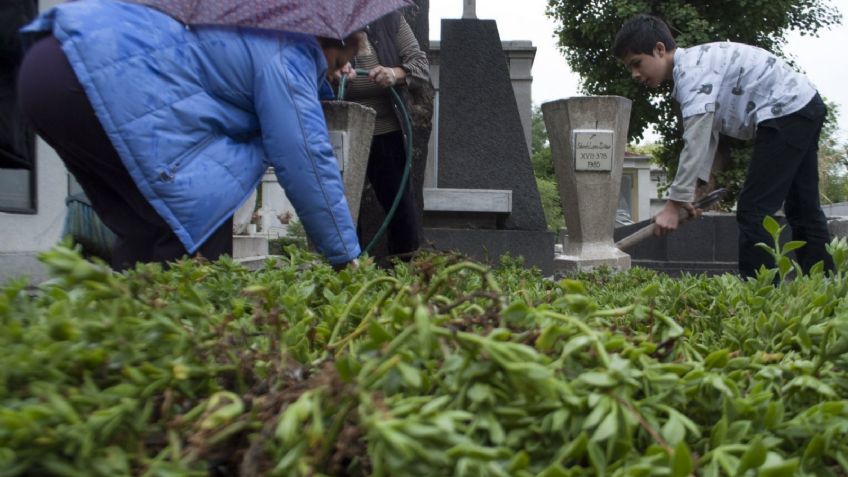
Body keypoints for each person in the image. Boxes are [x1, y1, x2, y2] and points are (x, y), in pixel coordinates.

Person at [17, 0, 362, 271]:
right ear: (328, 37)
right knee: (202, 217)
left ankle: (128, 340)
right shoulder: (292, 49)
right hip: (93, 79)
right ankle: (184, 345)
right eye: (334, 65)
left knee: (146, 228)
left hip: (51, 66)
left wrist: (324, 73)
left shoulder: (247, 19)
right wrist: (344, 256)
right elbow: (303, 154)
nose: (333, 75)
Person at [612, 14, 834, 278]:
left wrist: (673, 205)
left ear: (660, 49)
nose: (635, 74)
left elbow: (695, 140)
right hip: (803, 105)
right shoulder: (697, 67)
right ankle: (826, 286)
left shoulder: (691, 72)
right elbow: (709, 136)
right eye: (629, 68)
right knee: (804, 208)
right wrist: (696, 191)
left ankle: (760, 295)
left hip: (786, 111)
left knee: (753, 211)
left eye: (637, 63)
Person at [339, 11, 430, 260]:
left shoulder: (390, 20)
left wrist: (394, 73)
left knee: (401, 207)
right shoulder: (327, 25)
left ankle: (404, 270)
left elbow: (421, 67)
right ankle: (344, 271)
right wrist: (331, 71)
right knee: (342, 208)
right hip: (341, 132)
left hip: (386, 129)